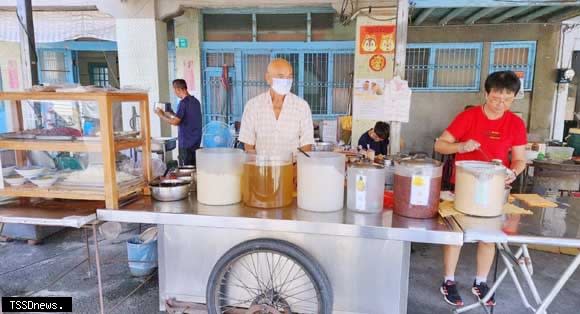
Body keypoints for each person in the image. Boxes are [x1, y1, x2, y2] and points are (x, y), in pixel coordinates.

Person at [434, 71, 527, 307]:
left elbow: (519, 159)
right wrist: (461, 145)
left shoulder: (515, 123)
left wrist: (512, 172)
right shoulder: (468, 117)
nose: (500, 105)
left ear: (514, 98)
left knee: (489, 237)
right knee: (456, 236)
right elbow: (440, 144)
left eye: (507, 100)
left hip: (494, 191)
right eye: (496, 98)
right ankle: (449, 280)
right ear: (486, 94)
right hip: (462, 188)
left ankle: (481, 281)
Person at [239, 58, 314, 155]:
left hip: (291, 167)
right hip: (262, 167)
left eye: (289, 77)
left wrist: (297, 166)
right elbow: (248, 145)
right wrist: (258, 167)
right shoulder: (252, 106)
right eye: (281, 77)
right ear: (268, 78)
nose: (286, 81)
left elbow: (306, 144)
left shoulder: (302, 106)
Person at [155, 79, 202, 166]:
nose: (175, 93)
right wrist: (171, 113)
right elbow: (185, 118)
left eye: (174, 90)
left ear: (178, 89)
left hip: (186, 143)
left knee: (186, 169)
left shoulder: (183, 103)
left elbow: (175, 122)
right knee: (194, 168)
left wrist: (161, 115)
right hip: (196, 142)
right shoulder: (195, 102)